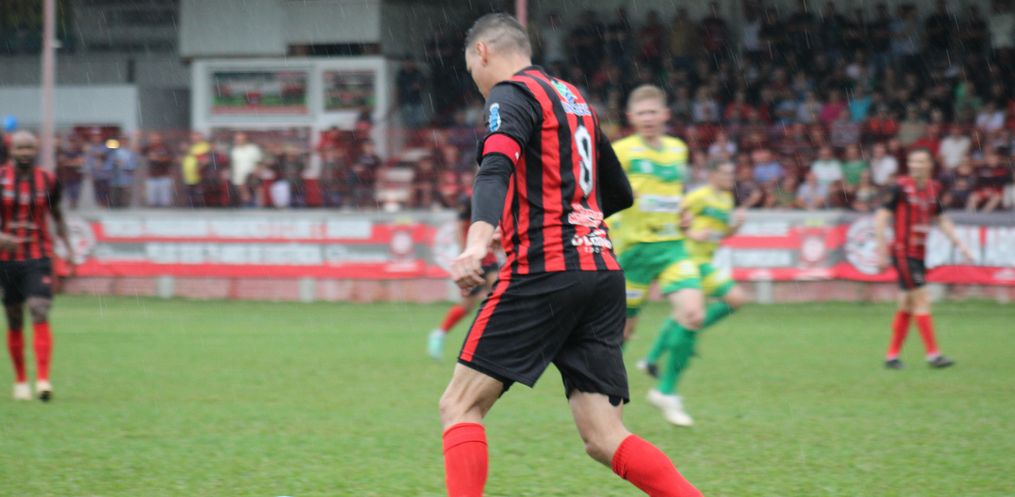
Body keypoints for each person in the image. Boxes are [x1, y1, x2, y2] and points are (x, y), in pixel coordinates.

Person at [442, 14, 703, 497]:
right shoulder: (574, 98)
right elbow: (619, 192)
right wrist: (552, 219)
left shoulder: (510, 94)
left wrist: (477, 242)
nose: (476, 81)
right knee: (604, 436)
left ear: (483, 52)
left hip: (546, 270)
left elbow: (495, 168)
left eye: (471, 67)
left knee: (459, 405)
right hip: (601, 272)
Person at [608, 85, 704, 427]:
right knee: (622, 333)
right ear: (631, 118)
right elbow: (596, 190)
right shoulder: (621, 151)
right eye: (642, 113)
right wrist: (622, 193)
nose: (648, 118)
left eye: (653, 112)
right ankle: (601, 396)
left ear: (665, 115)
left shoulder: (678, 150)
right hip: (634, 252)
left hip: (672, 247)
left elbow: (674, 193)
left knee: (693, 314)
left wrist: (683, 214)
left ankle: (667, 391)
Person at [637, 160, 749, 427]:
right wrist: (692, 233)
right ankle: (662, 382)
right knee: (692, 314)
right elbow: (674, 217)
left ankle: (654, 359)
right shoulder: (698, 196)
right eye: (725, 172)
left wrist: (736, 227)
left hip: (705, 262)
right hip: (687, 259)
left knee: (733, 300)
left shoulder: (726, 200)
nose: (730, 177)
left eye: (732, 173)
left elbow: (720, 234)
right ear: (712, 174)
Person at [875, 148, 975, 370]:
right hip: (903, 252)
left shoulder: (933, 189)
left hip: (919, 254)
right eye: (913, 162)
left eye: (921, 161)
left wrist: (960, 244)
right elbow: (881, 218)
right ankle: (933, 355)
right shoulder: (899, 187)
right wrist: (882, 251)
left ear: (930, 165)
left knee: (906, 303)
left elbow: (941, 218)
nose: (916, 165)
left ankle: (891, 357)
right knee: (922, 300)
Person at [1, 131, 75, 401]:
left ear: (36, 150)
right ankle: (21, 380)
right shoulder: (1, 178)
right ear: (11, 151)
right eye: (20, 148)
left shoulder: (49, 180)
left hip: (39, 255)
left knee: (39, 308)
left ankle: (43, 380)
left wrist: (68, 248)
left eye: (29, 148)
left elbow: (57, 215)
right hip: (6, 260)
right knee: (14, 318)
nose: (25, 153)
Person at [427, 191, 500, 361]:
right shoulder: (469, 198)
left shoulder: (498, 190)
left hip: (489, 257)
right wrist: (465, 252)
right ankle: (439, 333)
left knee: (500, 294)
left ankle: (496, 342)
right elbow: (461, 226)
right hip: (474, 258)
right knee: (468, 306)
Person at [143, 132, 174, 207]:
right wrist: (135, 138)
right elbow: (137, 150)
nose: (154, 140)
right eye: (153, 139)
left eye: (156, 138)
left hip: (164, 175)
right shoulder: (149, 147)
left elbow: (170, 158)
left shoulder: (165, 147)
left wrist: (157, 158)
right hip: (152, 175)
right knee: (151, 199)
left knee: (165, 200)